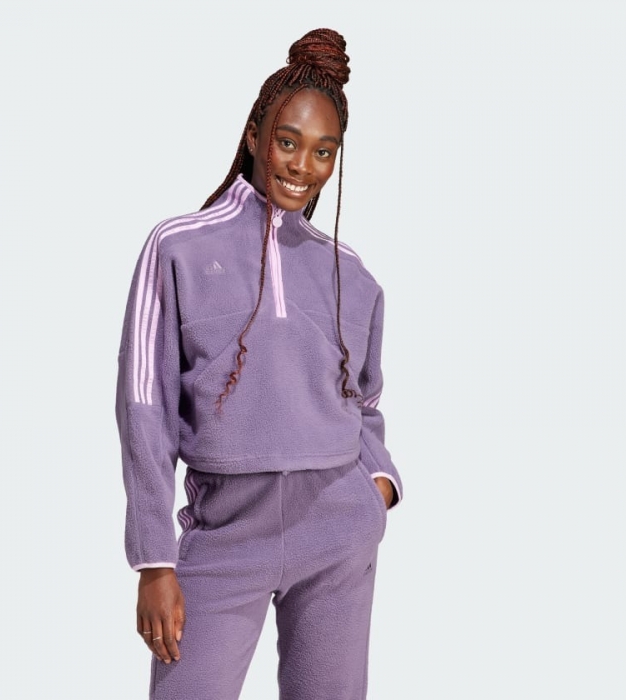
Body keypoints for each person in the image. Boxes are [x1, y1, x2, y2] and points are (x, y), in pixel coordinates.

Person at [116, 27, 403, 700]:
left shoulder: (351, 272)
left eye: (324, 151)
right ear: (254, 135)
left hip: (337, 529)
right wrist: (154, 559)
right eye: (288, 141)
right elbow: (144, 405)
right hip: (224, 535)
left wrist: (379, 485)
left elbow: (365, 401)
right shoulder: (178, 247)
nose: (304, 165)